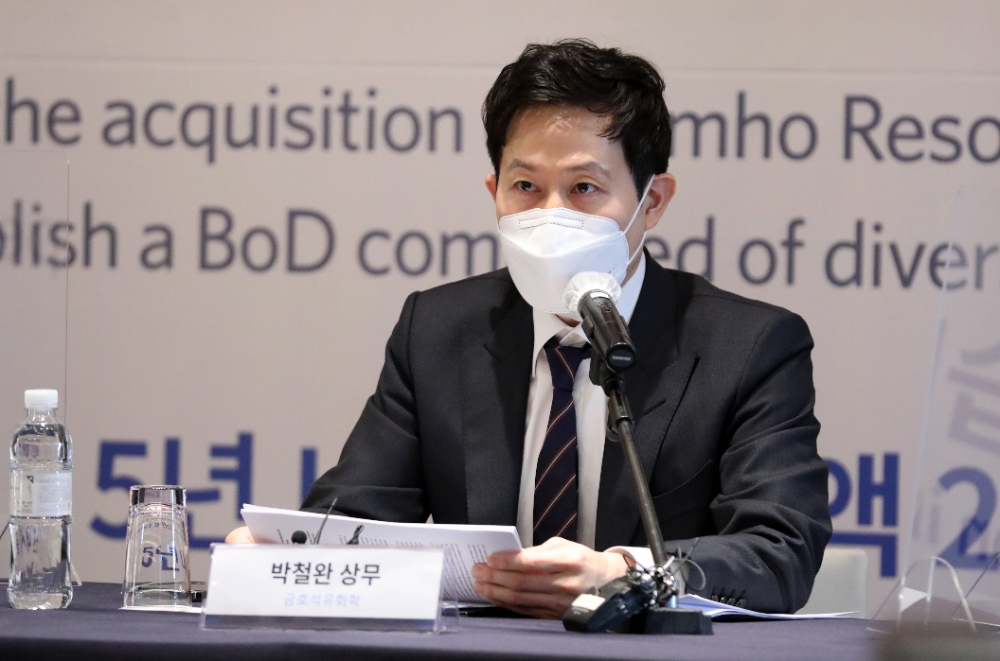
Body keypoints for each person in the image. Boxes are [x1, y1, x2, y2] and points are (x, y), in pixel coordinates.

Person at [227, 39, 831, 619]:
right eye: (526, 187)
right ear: (494, 192)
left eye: (584, 188)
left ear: (652, 202)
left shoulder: (748, 346)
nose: (551, 215)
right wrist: (290, 554)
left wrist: (621, 572)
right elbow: (356, 515)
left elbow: (780, 552)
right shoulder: (437, 329)